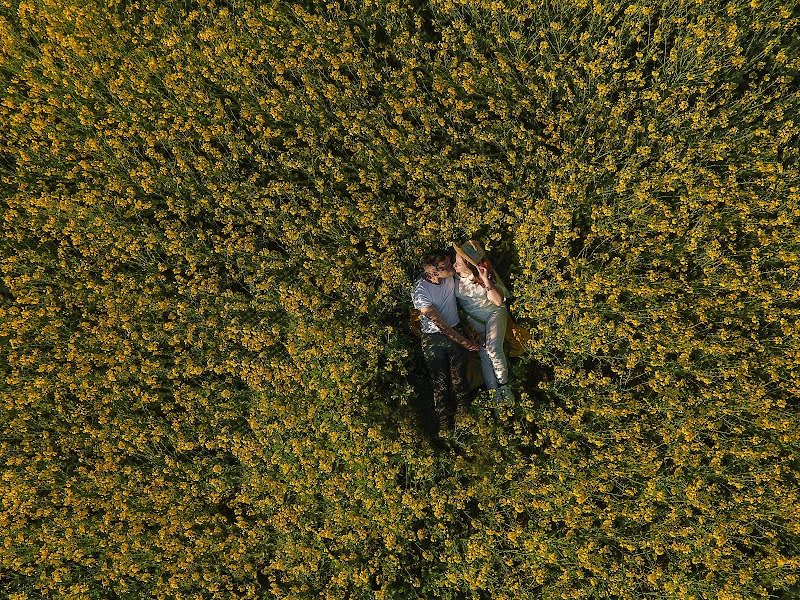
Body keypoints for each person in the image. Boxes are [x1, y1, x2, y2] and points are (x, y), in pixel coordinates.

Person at [411, 250, 480, 435]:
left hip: (456, 328)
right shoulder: (420, 291)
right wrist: (464, 342)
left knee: (460, 379)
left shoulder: (448, 277)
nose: (452, 268)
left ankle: (464, 418)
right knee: (440, 382)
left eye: (451, 264)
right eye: (447, 267)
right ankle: (444, 426)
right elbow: (440, 325)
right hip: (433, 338)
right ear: (433, 273)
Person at [453, 240, 515, 403]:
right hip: (474, 319)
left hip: (493, 313)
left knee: (493, 349)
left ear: (469, 264)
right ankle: (495, 396)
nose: (455, 266)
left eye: (458, 263)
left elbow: (498, 302)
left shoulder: (485, 275)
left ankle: (504, 386)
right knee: (484, 354)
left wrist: (486, 281)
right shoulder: (454, 279)